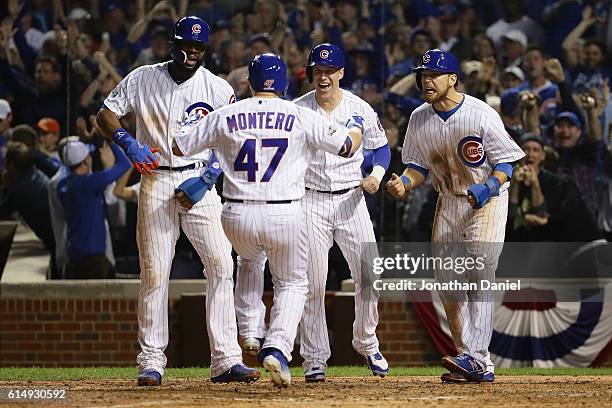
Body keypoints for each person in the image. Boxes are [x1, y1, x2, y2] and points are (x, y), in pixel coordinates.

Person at [172, 53, 365, 388]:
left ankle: (249, 332)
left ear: (250, 81)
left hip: (236, 213)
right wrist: (358, 128)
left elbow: (178, 146)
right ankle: (277, 344)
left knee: (248, 261)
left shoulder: (227, 113)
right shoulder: (299, 114)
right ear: (286, 82)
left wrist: (190, 125)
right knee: (292, 284)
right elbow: (347, 148)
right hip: (285, 211)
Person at [96, 16, 258, 386]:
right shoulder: (142, 77)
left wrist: (207, 179)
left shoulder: (217, 88)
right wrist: (127, 143)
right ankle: (151, 361)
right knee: (155, 273)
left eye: (199, 47)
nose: (192, 53)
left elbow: (230, 142)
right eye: (187, 45)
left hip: (198, 179)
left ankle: (226, 360)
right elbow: (105, 113)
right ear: (172, 44)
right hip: (156, 177)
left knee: (221, 264)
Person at [234, 43, 391, 382]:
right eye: (317, 71)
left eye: (329, 70)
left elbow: (381, 147)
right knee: (312, 284)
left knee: (369, 274)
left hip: (351, 198)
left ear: (341, 73)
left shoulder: (359, 106)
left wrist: (377, 175)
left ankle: (368, 342)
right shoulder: (296, 110)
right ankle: (314, 358)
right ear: (308, 74)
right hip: (311, 200)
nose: (323, 76)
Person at [386, 49, 524, 383]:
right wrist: (404, 183)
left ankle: (475, 356)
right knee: (447, 282)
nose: (427, 81)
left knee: (479, 267)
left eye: (434, 75)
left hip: (486, 199)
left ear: (452, 79)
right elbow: (417, 167)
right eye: (423, 75)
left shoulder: (480, 113)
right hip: (448, 201)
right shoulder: (419, 118)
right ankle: (471, 358)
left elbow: (506, 161)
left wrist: (489, 187)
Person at [57, 140, 130, 279]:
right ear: (85, 161)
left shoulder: (62, 185)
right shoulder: (89, 183)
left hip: (73, 255)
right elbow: (124, 164)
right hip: (92, 260)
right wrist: (110, 137)